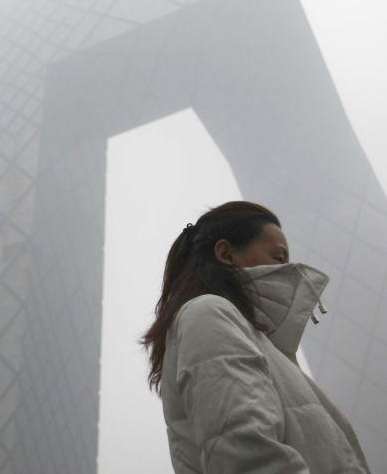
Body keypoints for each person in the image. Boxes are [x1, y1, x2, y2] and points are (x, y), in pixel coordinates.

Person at [139, 200, 371, 473]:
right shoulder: (209, 314)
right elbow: (246, 454)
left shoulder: (268, 347)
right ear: (226, 254)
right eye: (279, 257)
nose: (289, 268)